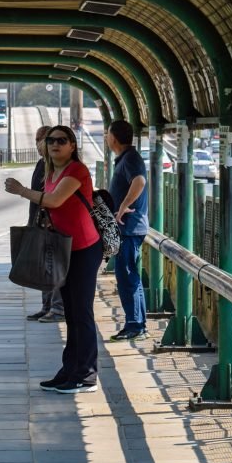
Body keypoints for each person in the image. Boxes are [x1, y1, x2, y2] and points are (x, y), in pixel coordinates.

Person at [4, 126, 103, 393]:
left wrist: (22, 190)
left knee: (81, 312)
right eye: (51, 141)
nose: (55, 145)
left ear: (72, 145)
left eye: (62, 140)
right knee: (70, 311)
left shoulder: (76, 171)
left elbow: (56, 201)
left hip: (84, 249)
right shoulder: (51, 170)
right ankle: (69, 369)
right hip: (65, 247)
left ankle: (87, 375)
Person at [104, 120, 148, 341]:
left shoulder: (130, 158)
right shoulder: (126, 158)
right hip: (129, 228)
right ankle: (137, 323)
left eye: (107, 134)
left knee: (127, 275)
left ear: (113, 138)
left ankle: (134, 325)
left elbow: (139, 181)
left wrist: (123, 206)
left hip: (129, 228)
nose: (106, 138)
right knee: (131, 276)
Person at [25, 126, 66, 323]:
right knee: (44, 268)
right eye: (37, 141)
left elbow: (51, 196)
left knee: (53, 267)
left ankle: (57, 309)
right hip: (39, 222)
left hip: (52, 223)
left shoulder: (55, 166)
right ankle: (46, 306)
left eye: (40, 141)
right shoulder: (42, 164)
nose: (37, 146)